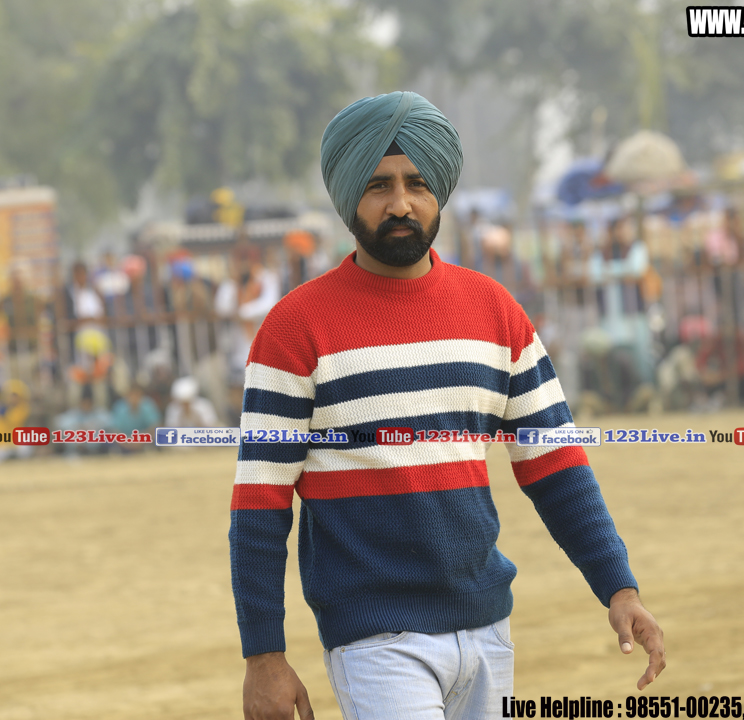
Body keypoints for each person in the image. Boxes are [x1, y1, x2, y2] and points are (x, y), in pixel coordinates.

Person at [230, 91, 665, 720]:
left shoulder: (495, 312)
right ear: (348, 196)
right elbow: (260, 504)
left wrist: (619, 587)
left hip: (489, 631)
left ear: (440, 192)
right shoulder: (295, 328)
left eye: (417, 183)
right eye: (378, 185)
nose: (400, 204)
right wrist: (264, 655)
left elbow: (557, 466)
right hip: (376, 642)